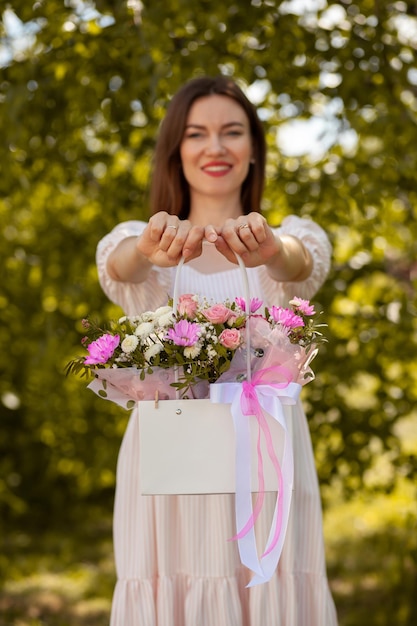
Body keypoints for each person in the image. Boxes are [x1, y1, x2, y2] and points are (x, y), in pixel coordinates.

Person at [97, 75, 338, 626]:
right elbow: (119, 266)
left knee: (271, 585)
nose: (215, 147)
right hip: (169, 463)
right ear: (175, 152)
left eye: (232, 132)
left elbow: (300, 263)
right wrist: (147, 249)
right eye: (197, 134)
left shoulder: (289, 236)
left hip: (267, 459)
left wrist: (271, 246)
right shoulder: (140, 241)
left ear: (253, 149)